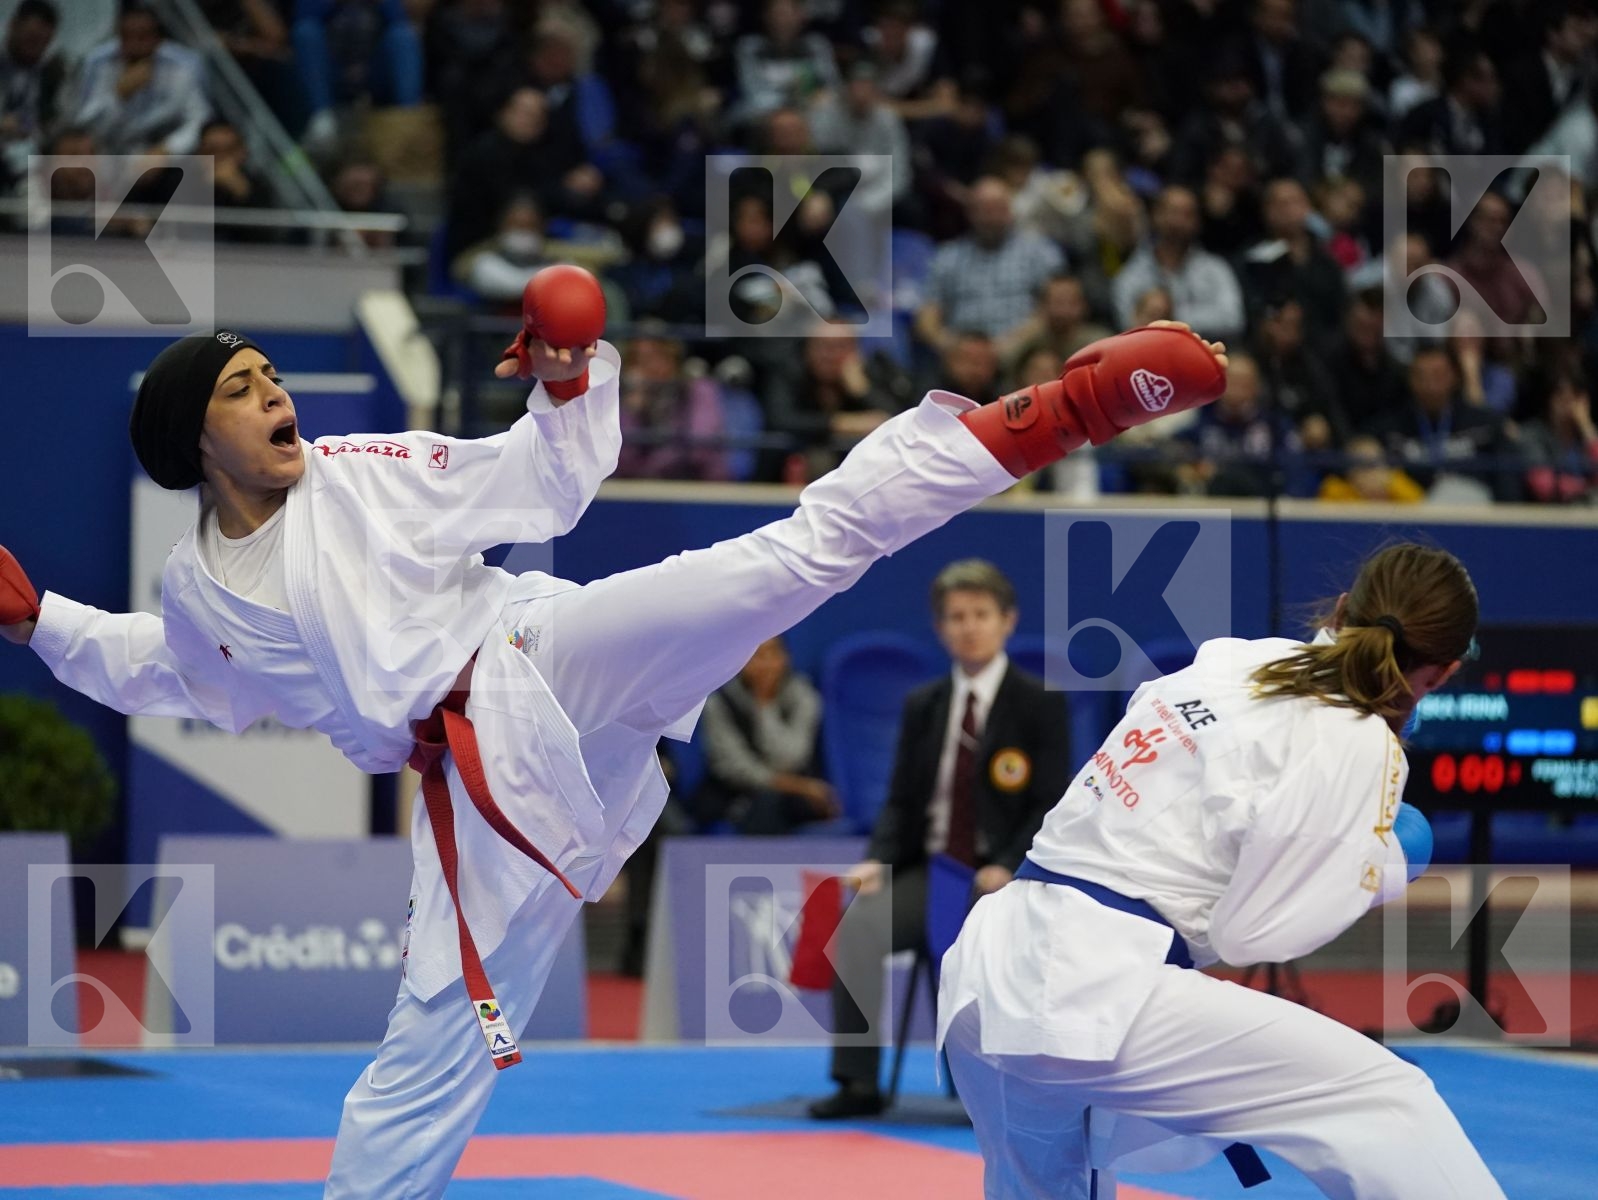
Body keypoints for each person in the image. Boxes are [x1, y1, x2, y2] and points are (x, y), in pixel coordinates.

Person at [0, 267, 1230, 1197]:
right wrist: (40, 618)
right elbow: (161, 671)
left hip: (535, 662)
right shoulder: (197, 596)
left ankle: (1053, 411)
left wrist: (570, 371)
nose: (275, 395)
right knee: (434, 1039)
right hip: (471, 793)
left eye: (270, 373)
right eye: (240, 388)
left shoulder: (359, 467)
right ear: (189, 444)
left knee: (783, 562)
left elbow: (539, 481)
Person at [938, 543, 1508, 1199]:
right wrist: (1384, 862)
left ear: (1345, 608)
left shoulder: (1235, 658)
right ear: (1442, 673)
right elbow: (1251, 935)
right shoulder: (1358, 740)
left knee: (1048, 1189)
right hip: (1087, 986)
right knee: (1386, 1101)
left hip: (988, 965)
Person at [809, 559, 1072, 1119]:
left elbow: (1049, 806)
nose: (969, 626)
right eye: (956, 617)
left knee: (992, 943)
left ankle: (997, 1087)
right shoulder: (922, 705)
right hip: (932, 874)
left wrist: (1006, 863)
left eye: (980, 614)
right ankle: (858, 1084)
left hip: (1002, 882)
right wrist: (878, 859)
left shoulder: (1040, 703)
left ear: (1007, 621)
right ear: (940, 629)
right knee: (856, 929)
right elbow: (901, 801)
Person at [695, 636, 832, 834]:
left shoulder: (804, 697)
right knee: (766, 805)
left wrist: (766, 707)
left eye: (772, 654)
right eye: (757, 655)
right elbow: (735, 769)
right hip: (735, 795)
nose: (766, 664)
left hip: (790, 800)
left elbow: (791, 759)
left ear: (785, 658)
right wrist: (798, 787)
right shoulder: (719, 703)